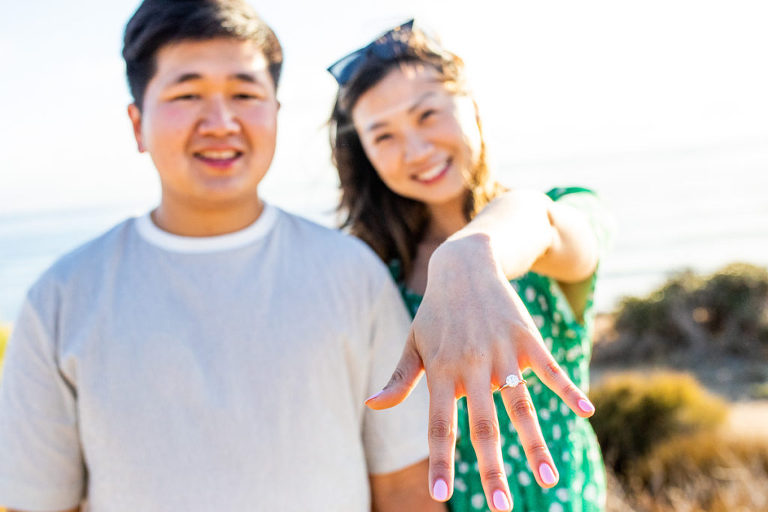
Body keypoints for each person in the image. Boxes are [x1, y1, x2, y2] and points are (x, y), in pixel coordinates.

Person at [0, 3, 445, 511]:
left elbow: (406, 488)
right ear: (137, 123)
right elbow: (36, 502)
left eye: (244, 93)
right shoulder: (60, 299)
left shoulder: (353, 275)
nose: (220, 121)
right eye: (187, 94)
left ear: (276, 113)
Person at [328, 20, 612, 512]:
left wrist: (469, 254)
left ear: (472, 106)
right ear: (366, 155)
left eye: (427, 114)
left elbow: (540, 221)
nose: (416, 150)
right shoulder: (375, 271)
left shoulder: (561, 211)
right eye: (385, 136)